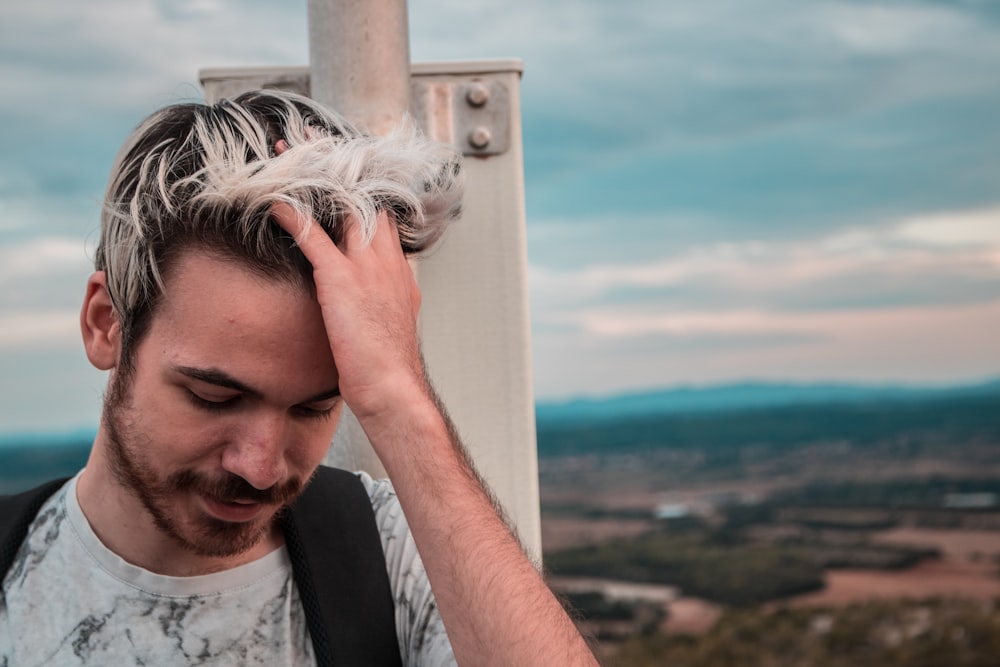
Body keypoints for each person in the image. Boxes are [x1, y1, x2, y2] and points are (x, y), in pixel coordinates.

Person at [0, 90, 596, 665]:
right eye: (216, 397)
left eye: (314, 408)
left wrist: (399, 397)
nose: (260, 467)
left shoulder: (392, 558)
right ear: (106, 325)